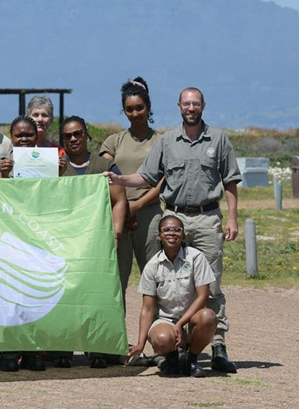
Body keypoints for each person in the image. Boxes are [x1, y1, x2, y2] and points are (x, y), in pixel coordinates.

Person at [106, 87, 241, 373]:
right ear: (179, 107)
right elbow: (146, 176)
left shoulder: (218, 139)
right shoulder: (167, 141)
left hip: (206, 219)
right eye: (186, 104)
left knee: (210, 284)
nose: (191, 108)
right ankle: (168, 348)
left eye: (196, 103)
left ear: (203, 105)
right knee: (166, 282)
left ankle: (217, 346)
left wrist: (232, 218)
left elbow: (230, 180)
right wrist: (119, 179)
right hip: (174, 219)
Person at [56, 116, 128, 369]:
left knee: (97, 295)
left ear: (87, 135)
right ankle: (62, 349)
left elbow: (120, 200)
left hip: (97, 243)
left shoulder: (104, 165)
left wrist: (115, 235)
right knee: (64, 293)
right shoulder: (58, 168)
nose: (74, 139)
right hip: (63, 243)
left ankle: (99, 349)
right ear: (62, 140)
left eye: (78, 134)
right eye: (68, 136)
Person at [0, 116, 48, 372]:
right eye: (19, 135)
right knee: (10, 296)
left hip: (36, 239)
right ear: (11, 137)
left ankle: (33, 351)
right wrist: (4, 176)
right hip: (8, 239)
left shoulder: (47, 163)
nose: (24, 139)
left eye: (28, 135)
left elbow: (54, 198)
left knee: (34, 295)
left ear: (36, 136)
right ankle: (10, 350)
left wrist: (62, 173)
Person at [125, 216, 218, 377]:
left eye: (177, 229)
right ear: (159, 236)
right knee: (161, 339)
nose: (172, 233)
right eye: (166, 230)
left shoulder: (196, 257)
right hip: (165, 320)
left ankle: (192, 359)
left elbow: (202, 297)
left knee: (209, 316)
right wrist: (140, 344)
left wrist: (181, 324)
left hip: (191, 320)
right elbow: (147, 309)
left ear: (183, 234)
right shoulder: (152, 266)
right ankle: (172, 359)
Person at [99, 77, 162, 302]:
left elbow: (162, 182)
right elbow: (105, 176)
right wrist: (124, 207)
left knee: (154, 276)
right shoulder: (114, 141)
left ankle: (158, 331)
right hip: (118, 215)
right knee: (116, 278)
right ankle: (117, 334)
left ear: (148, 106)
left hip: (150, 214)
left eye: (139, 108)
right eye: (129, 109)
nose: (135, 114)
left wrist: (137, 205)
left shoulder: (161, 142)